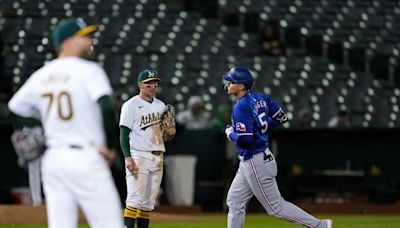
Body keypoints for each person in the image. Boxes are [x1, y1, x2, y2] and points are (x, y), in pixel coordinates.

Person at [7, 18, 124, 227]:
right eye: (85, 37)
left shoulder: (42, 75)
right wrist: (112, 148)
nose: (90, 41)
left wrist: (44, 124)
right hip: (86, 157)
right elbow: (107, 107)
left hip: (53, 160)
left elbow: (14, 110)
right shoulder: (89, 70)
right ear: (68, 41)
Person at [222, 66, 332, 228]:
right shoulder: (261, 98)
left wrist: (229, 133)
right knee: (234, 200)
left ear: (242, 86)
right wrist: (261, 129)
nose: (228, 84)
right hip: (255, 158)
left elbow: (245, 140)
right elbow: (282, 117)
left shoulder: (241, 107)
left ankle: (320, 225)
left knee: (275, 207)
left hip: (254, 160)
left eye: (232, 81)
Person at [119, 69, 176, 228]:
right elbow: (123, 134)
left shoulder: (160, 105)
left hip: (158, 155)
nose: (152, 86)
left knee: (147, 203)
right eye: (148, 84)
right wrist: (127, 157)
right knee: (134, 199)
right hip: (139, 155)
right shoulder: (131, 105)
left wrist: (170, 131)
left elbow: (165, 135)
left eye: (154, 83)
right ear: (140, 85)